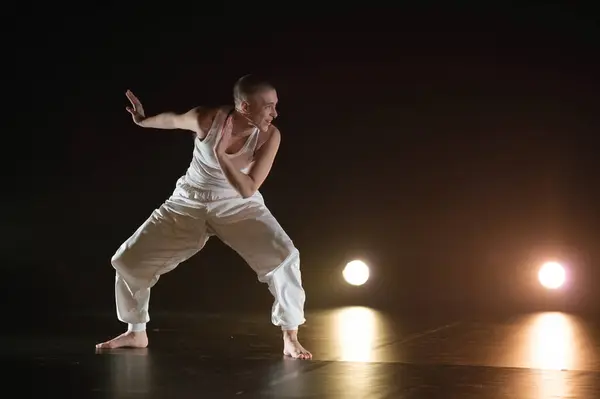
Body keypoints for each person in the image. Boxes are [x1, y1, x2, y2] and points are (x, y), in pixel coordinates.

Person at [95, 75, 312, 360]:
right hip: (188, 202)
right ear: (245, 106)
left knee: (284, 256)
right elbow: (172, 120)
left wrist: (220, 155)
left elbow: (247, 188)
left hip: (237, 205)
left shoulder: (270, 136)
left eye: (275, 106)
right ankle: (136, 331)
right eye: (268, 106)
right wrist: (141, 120)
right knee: (128, 260)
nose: (275, 113)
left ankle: (290, 336)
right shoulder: (207, 119)